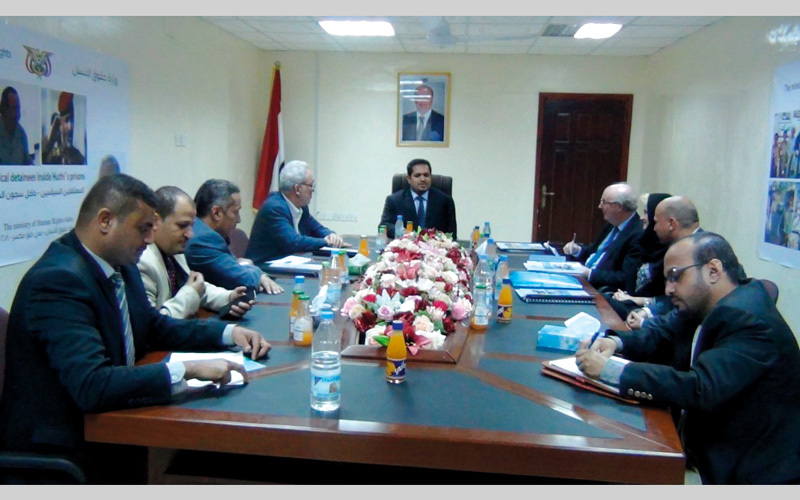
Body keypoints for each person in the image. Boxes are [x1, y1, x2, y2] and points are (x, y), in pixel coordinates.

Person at [0, 174, 271, 484]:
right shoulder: (58, 281)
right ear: (105, 221)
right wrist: (188, 369)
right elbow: (92, 384)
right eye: (143, 228)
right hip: (67, 450)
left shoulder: (120, 263)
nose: (150, 238)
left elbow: (153, 327)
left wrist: (227, 334)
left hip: (114, 425)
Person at [575, 232, 800, 484]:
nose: (668, 289)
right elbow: (661, 332)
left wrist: (610, 370)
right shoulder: (708, 302)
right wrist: (615, 342)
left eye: (675, 276)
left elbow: (700, 387)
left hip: (753, 471)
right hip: (706, 449)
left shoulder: (750, 320)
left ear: (713, 270)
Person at [138, 186, 255, 319]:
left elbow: (198, 288)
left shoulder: (173, 251)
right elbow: (152, 324)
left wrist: (228, 297)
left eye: (191, 226)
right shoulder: (143, 262)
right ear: (155, 221)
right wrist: (190, 293)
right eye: (182, 225)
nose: (190, 234)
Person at [185, 179, 284, 293]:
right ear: (216, 213)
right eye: (235, 212)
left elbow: (234, 267)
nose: (239, 219)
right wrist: (252, 269)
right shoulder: (203, 240)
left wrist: (241, 266)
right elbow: (244, 279)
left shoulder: (203, 231)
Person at [245, 161, 349, 265]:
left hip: (288, 263)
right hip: (264, 267)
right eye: (311, 186)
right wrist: (326, 242)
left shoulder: (301, 206)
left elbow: (316, 229)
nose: (312, 191)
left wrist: (331, 235)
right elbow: (293, 242)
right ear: (298, 189)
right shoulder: (274, 208)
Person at [623, 195, 703, 329]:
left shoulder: (701, 250)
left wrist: (644, 323)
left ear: (671, 224)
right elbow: (671, 300)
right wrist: (647, 311)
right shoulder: (683, 246)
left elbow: (686, 309)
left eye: (656, 222)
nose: (654, 228)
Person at [561, 182, 643, 291]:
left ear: (618, 206)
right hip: (582, 279)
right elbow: (594, 252)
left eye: (604, 202)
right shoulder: (611, 224)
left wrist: (590, 273)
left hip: (597, 288)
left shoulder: (637, 234)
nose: (599, 206)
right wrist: (577, 250)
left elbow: (625, 277)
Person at [379, 158, 457, 239]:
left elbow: (452, 234)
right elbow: (384, 225)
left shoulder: (445, 201)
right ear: (409, 179)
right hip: (405, 244)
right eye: (417, 175)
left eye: (426, 175)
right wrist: (403, 232)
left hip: (435, 245)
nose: (423, 179)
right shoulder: (394, 200)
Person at [43, 91, 85, 165]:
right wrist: (50, 143)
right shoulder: (53, 155)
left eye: (68, 120)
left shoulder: (78, 156)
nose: (68, 127)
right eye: (66, 120)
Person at [0, 86, 32, 165]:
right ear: (3, 109)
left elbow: (27, 162)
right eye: (13, 109)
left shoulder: (21, 133)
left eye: (18, 109)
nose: (17, 114)